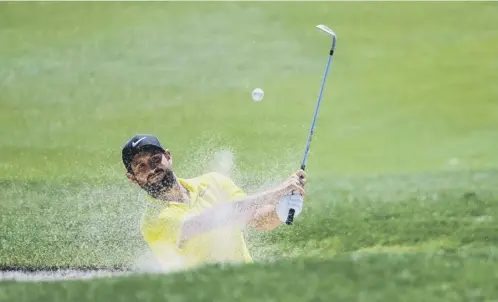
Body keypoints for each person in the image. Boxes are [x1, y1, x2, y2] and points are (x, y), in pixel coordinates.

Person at [122, 134, 306, 270]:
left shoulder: (214, 181)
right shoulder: (153, 221)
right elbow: (217, 218)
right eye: (141, 166)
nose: (152, 169)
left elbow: (259, 220)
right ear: (132, 178)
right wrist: (276, 192)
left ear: (168, 157)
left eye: (155, 159)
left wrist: (282, 210)